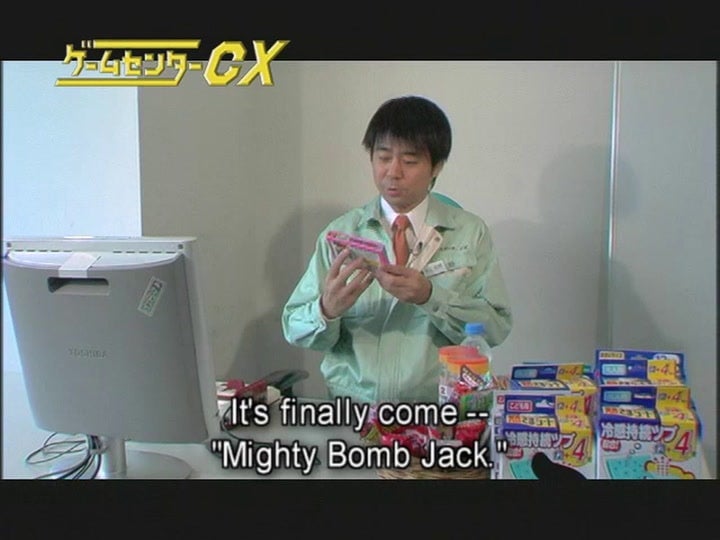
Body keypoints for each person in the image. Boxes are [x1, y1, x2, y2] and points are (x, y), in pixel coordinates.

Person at [281, 95, 512, 404]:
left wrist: (430, 296)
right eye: (383, 157)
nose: (393, 171)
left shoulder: (470, 233)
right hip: (354, 412)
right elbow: (294, 327)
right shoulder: (341, 235)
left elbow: (495, 329)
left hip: (436, 412)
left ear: (437, 166)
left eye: (410, 161)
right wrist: (326, 309)